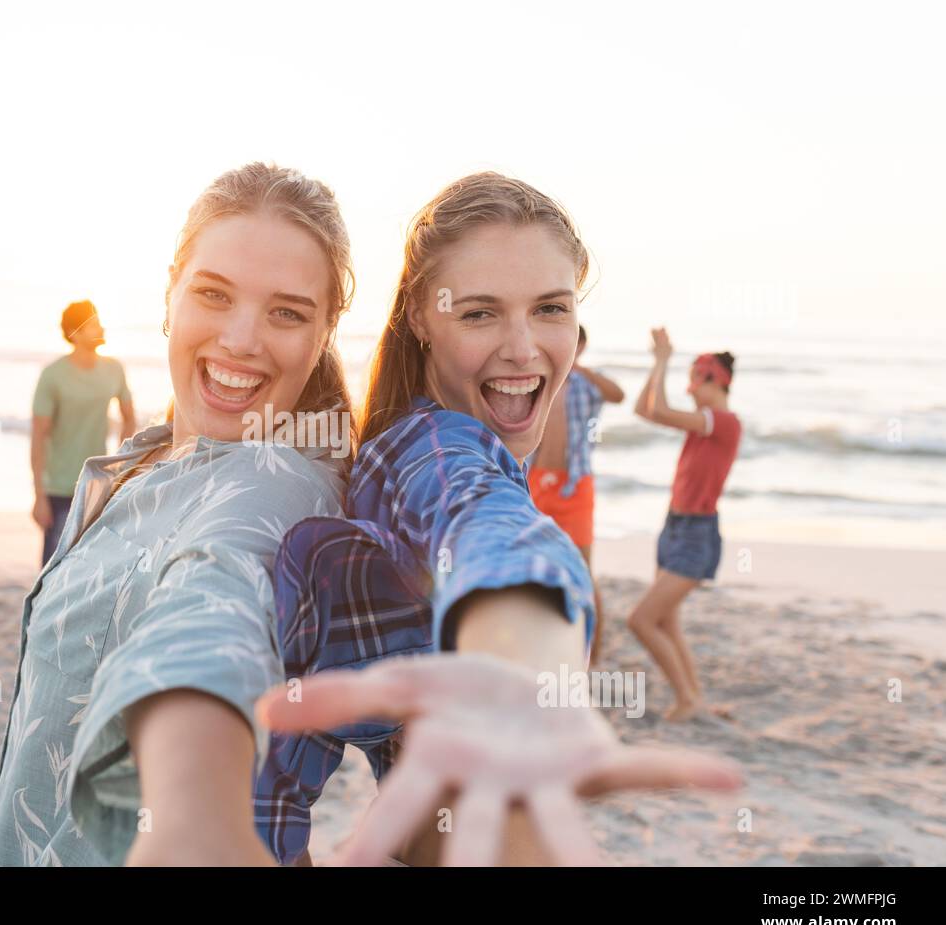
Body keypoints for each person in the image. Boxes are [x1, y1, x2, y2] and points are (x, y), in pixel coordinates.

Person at [254, 174, 739, 866]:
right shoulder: (432, 451)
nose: (522, 347)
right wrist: (526, 664)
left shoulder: (385, 455)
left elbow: (272, 791)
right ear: (421, 315)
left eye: (549, 308)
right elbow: (485, 522)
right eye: (480, 313)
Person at [0, 162, 357, 866]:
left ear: (325, 332)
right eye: (214, 294)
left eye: (287, 312)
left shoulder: (275, 489)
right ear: (170, 295)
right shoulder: (140, 459)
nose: (242, 339)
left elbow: (213, 608)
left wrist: (188, 807)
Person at [627, 331, 740, 721]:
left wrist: (662, 359)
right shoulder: (703, 423)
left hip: (696, 534)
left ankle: (687, 699)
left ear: (715, 381)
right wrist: (657, 363)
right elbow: (644, 409)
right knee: (666, 619)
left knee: (641, 620)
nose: (689, 390)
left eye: (695, 380)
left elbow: (658, 411)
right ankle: (695, 698)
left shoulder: (723, 422)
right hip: (674, 526)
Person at [525, 324, 624, 663]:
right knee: (535, 567)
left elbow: (618, 395)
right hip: (536, 482)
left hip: (575, 484)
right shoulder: (537, 381)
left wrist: (577, 368)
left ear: (579, 345)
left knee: (582, 570)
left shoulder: (585, 382)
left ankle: (591, 657)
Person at [31, 300, 136, 566]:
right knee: (53, 568)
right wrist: (39, 496)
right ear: (75, 334)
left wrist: (120, 465)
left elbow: (129, 418)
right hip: (59, 487)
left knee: (90, 566)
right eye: (93, 325)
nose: (101, 328)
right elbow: (38, 437)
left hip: (98, 484)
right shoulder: (53, 375)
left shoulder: (114, 369)